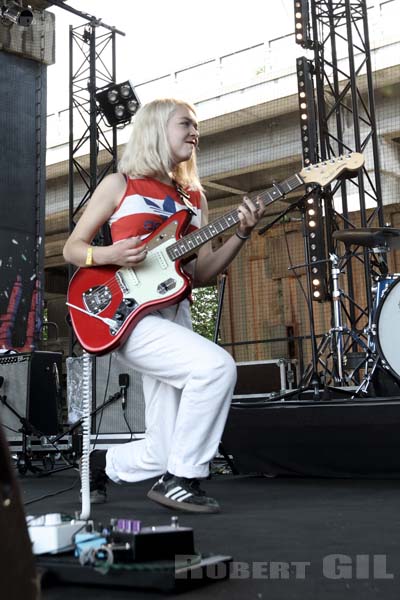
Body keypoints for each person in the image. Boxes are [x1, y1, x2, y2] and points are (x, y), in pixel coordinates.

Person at [63, 98, 265, 513]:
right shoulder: (121, 184)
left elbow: (204, 271)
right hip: (128, 318)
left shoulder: (195, 198)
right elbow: (72, 248)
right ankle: (182, 480)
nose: (195, 132)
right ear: (157, 128)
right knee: (216, 367)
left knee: (163, 447)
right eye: (186, 124)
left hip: (176, 315)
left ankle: (100, 462)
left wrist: (241, 235)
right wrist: (110, 255)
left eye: (196, 127)